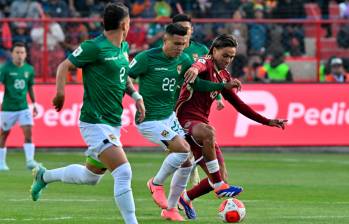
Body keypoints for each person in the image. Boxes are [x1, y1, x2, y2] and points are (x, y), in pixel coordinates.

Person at [30, 3, 144, 224]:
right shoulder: (94, 47)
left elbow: (123, 75)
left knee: (90, 176)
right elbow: (64, 66)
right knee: (123, 172)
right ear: (124, 23)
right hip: (94, 122)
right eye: (129, 21)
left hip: (113, 122)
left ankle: (44, 176)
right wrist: (60, 94)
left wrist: (136, 96)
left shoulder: (122, 46)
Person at [128, 23, 239, 221]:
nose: (180, 47)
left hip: (169, 117)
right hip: (149, 119)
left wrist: (221, 86)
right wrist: (136, 97)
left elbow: (197, 84)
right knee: (182, 148)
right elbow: (124, 78)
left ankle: (171, 209)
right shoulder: (146, 58)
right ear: (165, 40)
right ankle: (155, 183)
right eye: (176, 43)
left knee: (187, 162)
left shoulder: (185, 59)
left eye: (183, 43)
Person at [175, 34, 287, 219]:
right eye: (225, 55)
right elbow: (197, 72)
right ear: (215, 51)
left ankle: (186, 198)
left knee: (221, 176)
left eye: (232, 57)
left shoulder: (224, 76)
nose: (228, 60)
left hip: (201, 125)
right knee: (210, 135)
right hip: (185, 121)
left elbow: (239, 105)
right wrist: (195, 69)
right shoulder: (206, 61)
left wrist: (267, 121)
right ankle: (219, 187)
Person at [172, 13, 224, 185]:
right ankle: (184, 179)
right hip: (172, 103)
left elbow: (213, 74)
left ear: (192, 30)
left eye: (186, 29)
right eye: (180, 29)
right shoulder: (169, 50)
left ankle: (190, 178)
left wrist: (218, 97)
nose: (184, 32)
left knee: (189, 144)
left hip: (192, 104)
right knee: (178, 149)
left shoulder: (201, 49)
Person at [0, 42, 39, 171]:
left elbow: (30, 87)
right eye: (17, 52)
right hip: (8, 108)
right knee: (3, 135)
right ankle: (1, 163)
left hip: (23, 107)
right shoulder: (5, 68)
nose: (19, 55)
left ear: (26, 54)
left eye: (22, 52)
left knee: (28, 132)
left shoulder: (29, 69)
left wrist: (34, 104)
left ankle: (30, 161)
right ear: (12, 54)